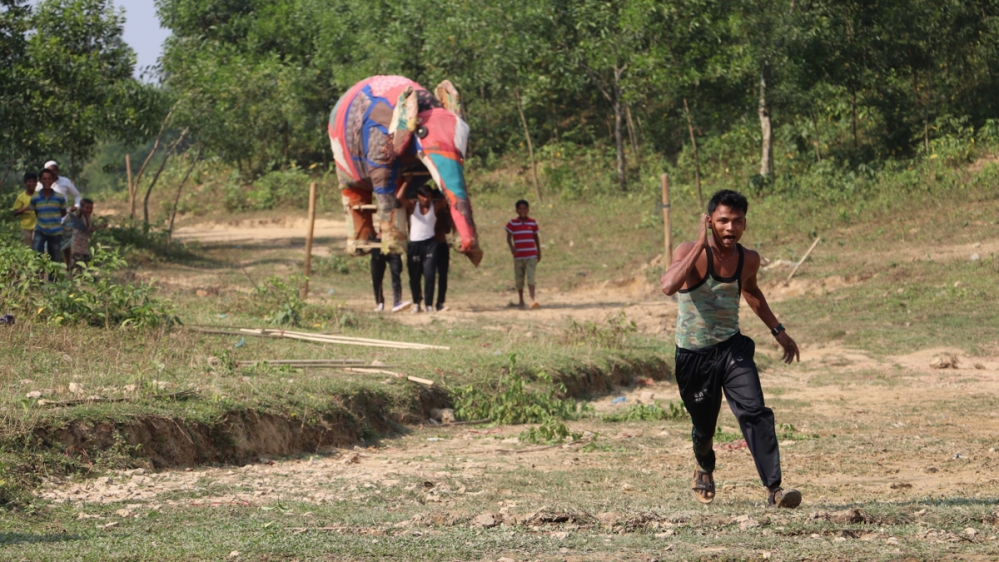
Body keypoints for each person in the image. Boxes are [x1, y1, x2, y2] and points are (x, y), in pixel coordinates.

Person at [660, 189, 802, 509]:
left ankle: (775, 490)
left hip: (732, 349)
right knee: (704, 427)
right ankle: (705, 466)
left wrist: (779, 332)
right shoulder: (690, 251)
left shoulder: (748, 259)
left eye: (737, 221)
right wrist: (698, 244)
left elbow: (751, 292)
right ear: (710, 222)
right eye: (723, 221)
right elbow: (668, 286)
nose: (730, 228)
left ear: (745, 225)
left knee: (755, 412)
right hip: (694, 356)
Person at [396, 182, 448, 313]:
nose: (426, 199)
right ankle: (416, 303)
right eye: (423, 197)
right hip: (415, 244)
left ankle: (429, 305)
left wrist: (443, 182)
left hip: (431, 244)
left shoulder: (434, 207)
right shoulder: (413, 206)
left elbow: (448, 198)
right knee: (414, 275)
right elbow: (400, 197)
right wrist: (407, 181)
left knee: (430, 275)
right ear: (418, 196)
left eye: (429, 196)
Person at [505, 199, 541, 309]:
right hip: (518, 256)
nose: (522, 211)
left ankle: (532, 300)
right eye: (520, 209)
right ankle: (521, 301)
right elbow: (508, 237)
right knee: (519, 279)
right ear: (516, 210)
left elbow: (536, 237)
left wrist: (538, 251)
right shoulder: (512, 223)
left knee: (531, 277)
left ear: (528, 210)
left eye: (524, 208)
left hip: (531, 255)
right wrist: (512, 247)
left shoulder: (532, 223)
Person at [29, 168, 67, 264]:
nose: (47, 181)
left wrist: (54, 219)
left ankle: (51, 279)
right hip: (40, 229)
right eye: (44, 179)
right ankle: (39, 277)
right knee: (37, 254)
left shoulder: (59, 197)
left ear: (53, 180)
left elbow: (63, 212)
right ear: (40, 181)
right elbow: (36, 212)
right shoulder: (35, 197)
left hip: (55, 231)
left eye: (49, 179)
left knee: (54, 258)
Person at [370, 241, 409, 313]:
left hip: (392, 244)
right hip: (378, 244)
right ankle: (379, 302)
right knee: (376, 276)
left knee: (396, 273)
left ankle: (397, 302)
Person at [68, 198, 107, 268]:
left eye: (91, 208)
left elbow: (89, 230)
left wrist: (100, 226)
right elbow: (73, 213)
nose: (89, 210)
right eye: (87, 208)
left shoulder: (88, 218)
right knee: (77, 268)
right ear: (82, 207)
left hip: (84, 248)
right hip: (76, 248)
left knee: (84, 268)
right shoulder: (80, 215)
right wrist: (76, 208)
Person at [432, 190, 453, 312]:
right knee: (428, 275)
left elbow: (447, 229)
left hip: (441, 244)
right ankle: (427, 300)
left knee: (442, 275)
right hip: (430, 245)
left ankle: (440, 301)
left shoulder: (443, 212)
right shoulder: (427, 211)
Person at [12, 172, 38, 247]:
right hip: (25, 227)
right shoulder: (21, 197)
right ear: (25, 183)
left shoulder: (39, 195)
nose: (32, 183)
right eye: (29, 181)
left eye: (34, 181)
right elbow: (15, 213)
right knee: (28, 247)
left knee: (38, 246)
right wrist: (26, 208)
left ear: (36, 183)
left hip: (38, 226)